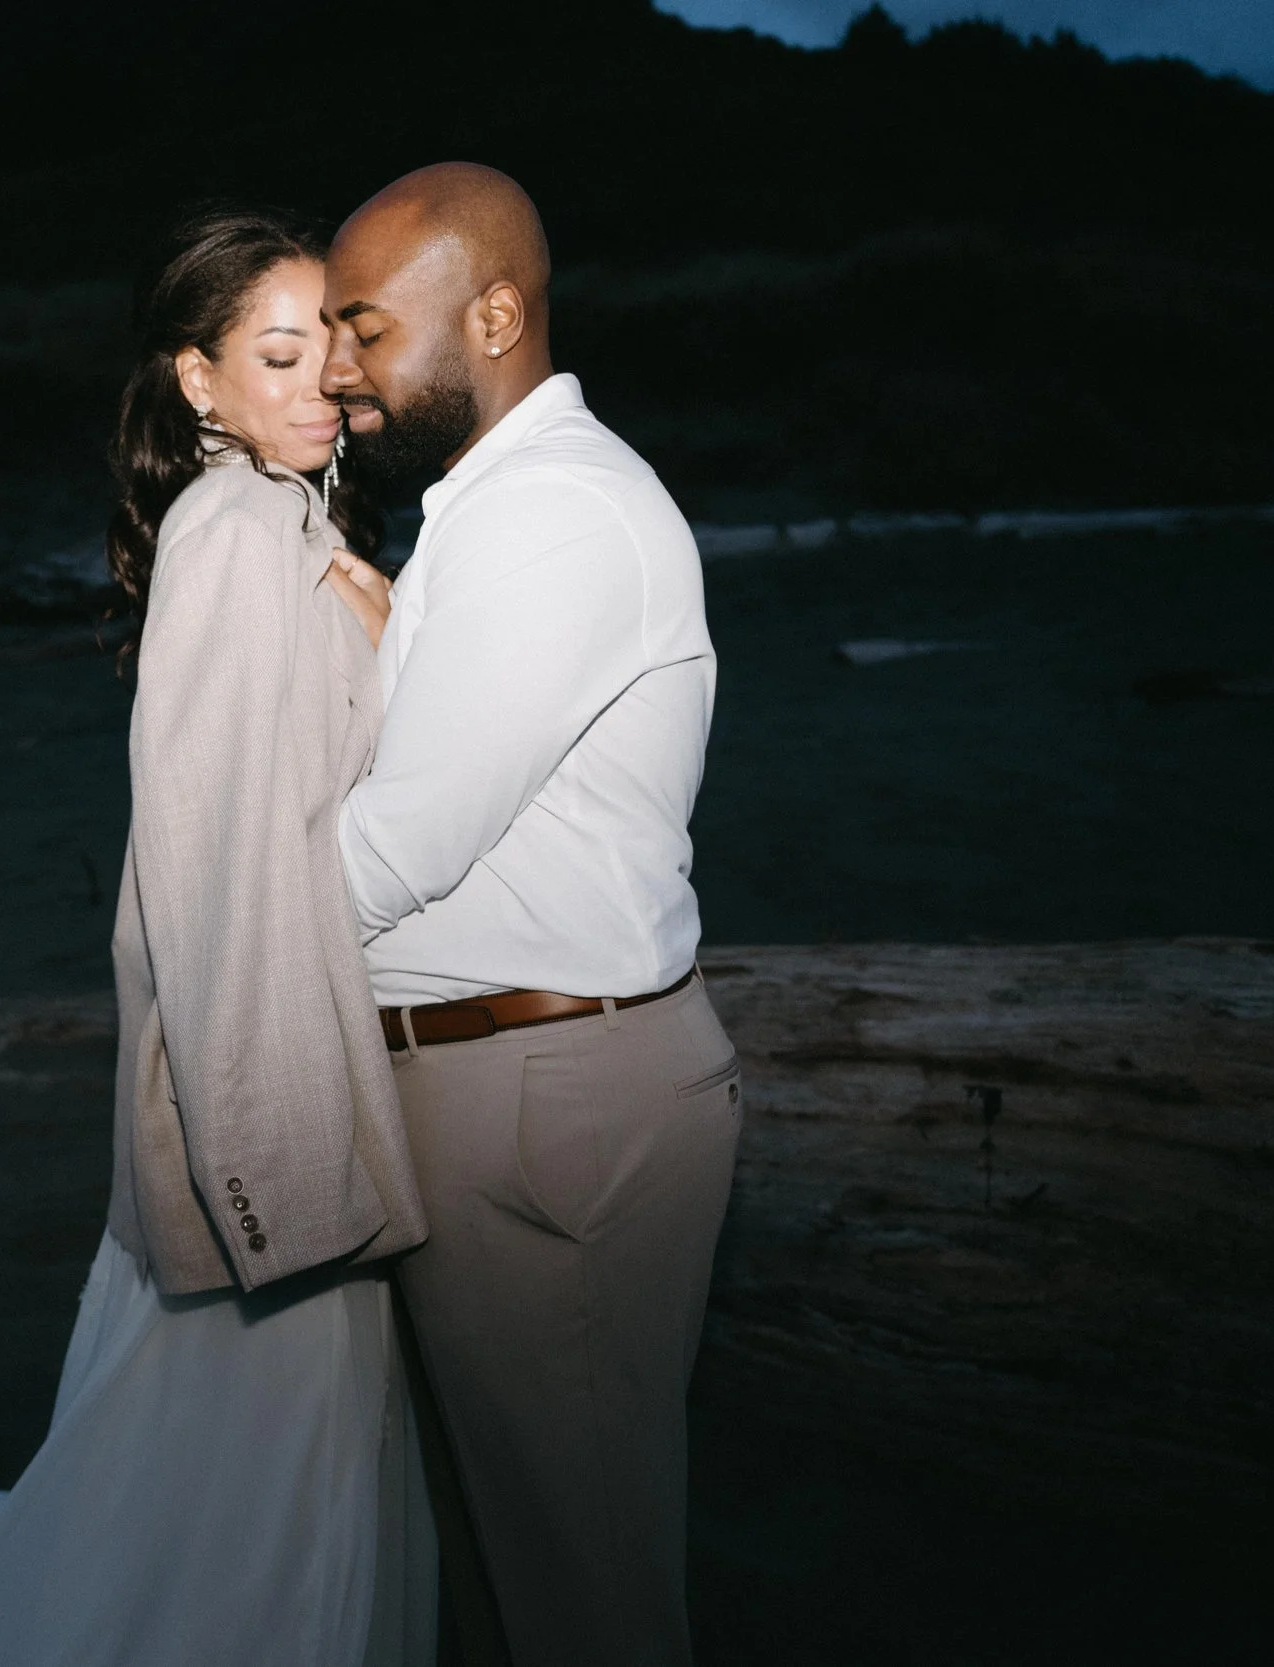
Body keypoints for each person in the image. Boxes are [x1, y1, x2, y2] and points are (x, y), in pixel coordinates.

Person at [0, 208, 437, 1667]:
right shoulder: (234, 538)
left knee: (249, 1495)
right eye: (275, 352)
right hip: (276, 1114)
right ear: (195, 381)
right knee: (245, 1500)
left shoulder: (298, 523)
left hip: (302, 1084)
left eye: (334, 344)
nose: (322, 380)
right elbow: (211, 888)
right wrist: (281, 1178)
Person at [320, 163, 743, 1667]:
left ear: (494, 313)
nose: (345, 368)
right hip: (512, 1082)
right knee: (526, 1556)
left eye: (368, 329)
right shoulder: (487, 514)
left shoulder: (553, 515)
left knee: (586, 1593)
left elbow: (395, 850)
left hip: (539, 1104)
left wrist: (192, 916)